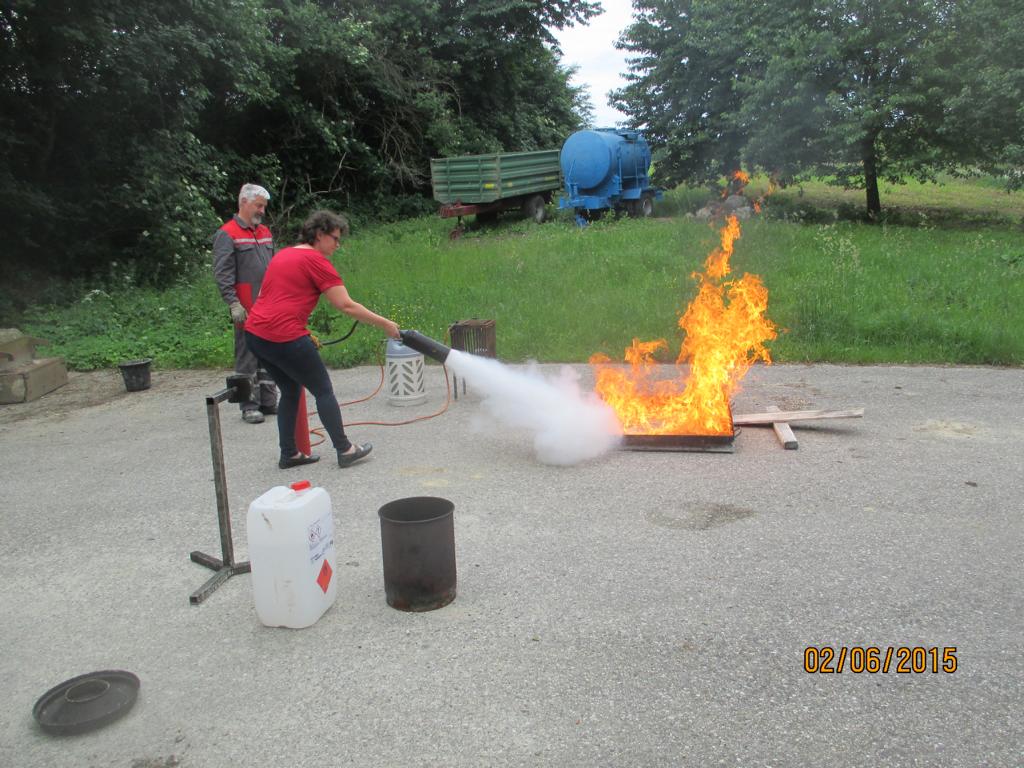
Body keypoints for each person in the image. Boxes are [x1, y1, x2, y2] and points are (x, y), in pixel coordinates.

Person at [244, 210, 401, 469]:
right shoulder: (315, 261)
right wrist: (385, 323)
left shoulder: (284, 254)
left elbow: (272, 297)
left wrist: (299, 330)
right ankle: (345, 449)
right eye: (335, 239)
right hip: (284, 335)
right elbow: (346, 305)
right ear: (319, 235)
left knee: (291, 390)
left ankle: (289, 454)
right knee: (323, 390)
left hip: (257, 335)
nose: (338, 245)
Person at [213, 183, 279, 424]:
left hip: (268, 303)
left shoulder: (264, 232)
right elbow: (223, 273)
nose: (261, 210)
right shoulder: (227, 233)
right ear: (243, 202)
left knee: (269, 354)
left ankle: (268, 401)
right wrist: (233, 303)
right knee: (247, 355)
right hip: (246, 305)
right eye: (258, 205)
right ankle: (248, 405)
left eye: (263, 207)